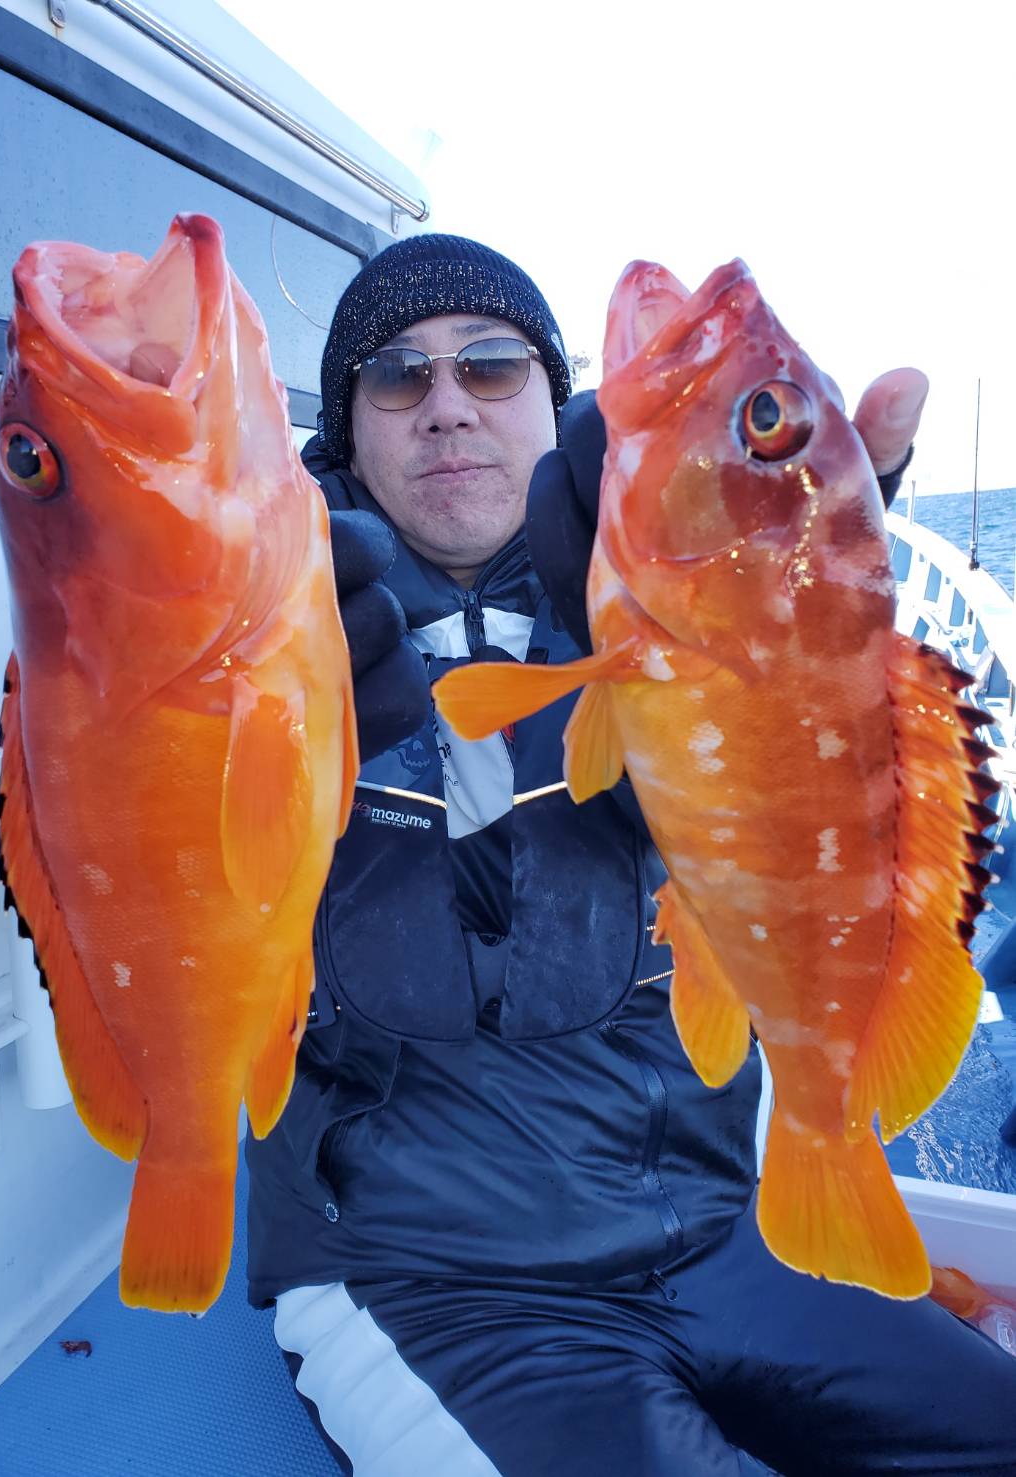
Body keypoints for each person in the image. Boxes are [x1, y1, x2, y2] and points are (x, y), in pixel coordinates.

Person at [245, 235, 1016, 1476]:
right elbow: (161, 879)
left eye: (489, 365)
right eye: (395, 376)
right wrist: (272, 717)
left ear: (555, 403)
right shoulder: (265, 622)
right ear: (347, 431)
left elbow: (816, 795)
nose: (446, 404)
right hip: (432, 1287)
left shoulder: (650, 589)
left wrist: (814, 571)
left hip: (725, 1233)